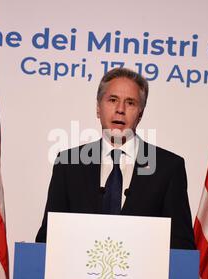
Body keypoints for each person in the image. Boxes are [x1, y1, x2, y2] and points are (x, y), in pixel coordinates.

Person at [35, 68, 195, 249]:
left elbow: (181, 246)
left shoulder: (168, 167)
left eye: (130, 103)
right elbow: (48, 237)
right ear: (98, 108)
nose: (120, 110)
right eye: (112, 100)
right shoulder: (68, 163)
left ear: (140, 113)